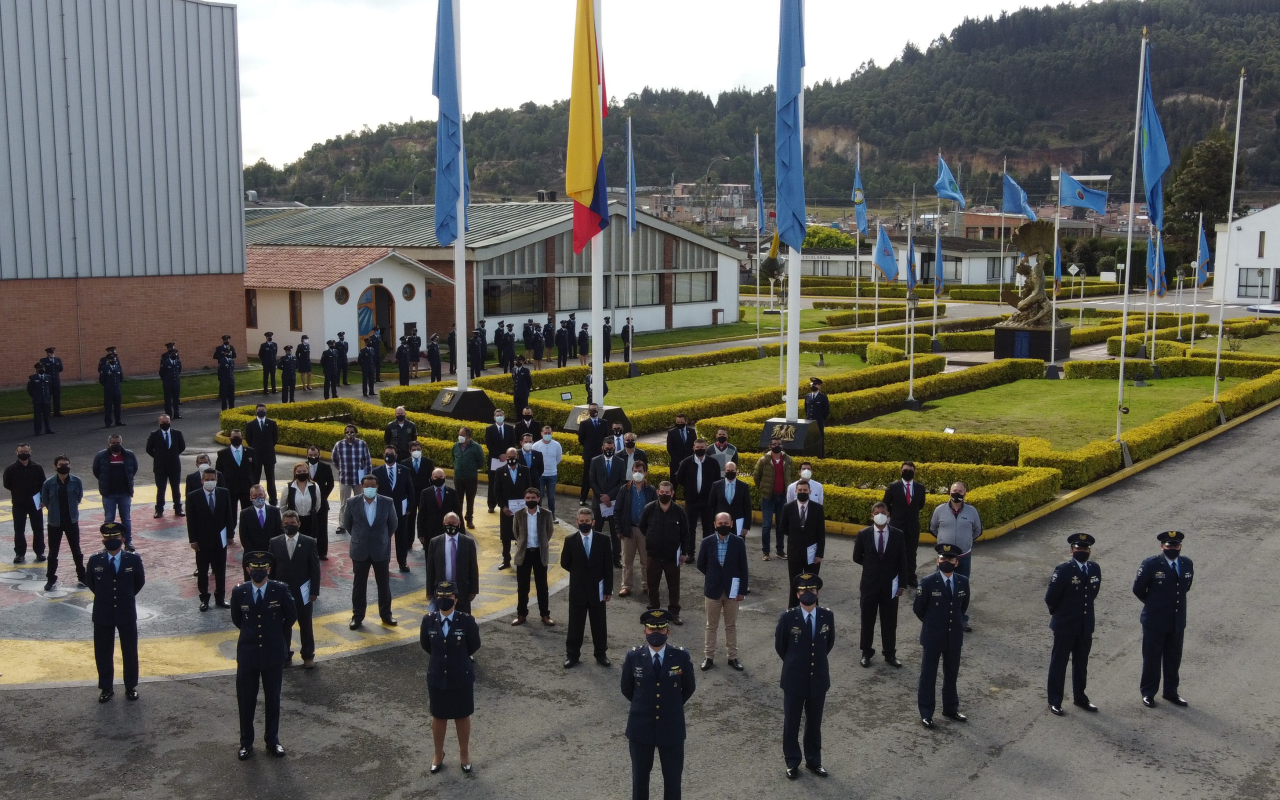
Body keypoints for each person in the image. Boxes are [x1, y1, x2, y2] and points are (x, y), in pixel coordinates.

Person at [622, 609, 696, 800]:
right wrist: (644, 704)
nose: (656, 634)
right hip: (641, 728)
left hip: (671, 727)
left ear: (668, 632)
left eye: (661, 630)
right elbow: (627, 688)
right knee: (640, 780)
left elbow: (689, 687)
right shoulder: (633, 657)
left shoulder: (680, 656)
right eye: (651, 629)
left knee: (672, 780)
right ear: (644, 632)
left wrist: (669, 705)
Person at [231, 551, 297, 760]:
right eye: (254, 568)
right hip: (248, 654)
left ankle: (272, 740)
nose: (258, 571)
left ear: (269, 569)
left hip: (272, 653)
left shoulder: (280, 590)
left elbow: (290, 617)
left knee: (273, 699)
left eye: (262, 568)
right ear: (247, 569)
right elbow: (237, 620)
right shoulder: (239, 592)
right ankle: (246, 743)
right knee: (246, 700)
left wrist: (275, 636)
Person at [775, 572, 834, 779]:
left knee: (814, 723)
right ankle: (792, 761)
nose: (808, 593)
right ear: (797, 594)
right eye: (803, 590)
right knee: (791, 723)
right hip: (794, 679)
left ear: (817, 593)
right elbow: (781, 647)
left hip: (818, 678)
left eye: (811, 590)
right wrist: (795, 663)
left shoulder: (827, 616)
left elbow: (828, 644)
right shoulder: (788, 617)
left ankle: (814, 761)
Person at [421, 581, 482, 774]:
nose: (444, 600)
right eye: (441, 597)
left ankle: (464, 754)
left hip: (460, 676)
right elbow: (426, 645)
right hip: (438, 676)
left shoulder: (466, 621)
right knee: (439, 717)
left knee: (462, 716)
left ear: (455, 599)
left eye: (448, 597)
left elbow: (473, 645)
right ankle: (438, 754)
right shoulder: (428, 620)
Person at [1134, 530, 1193, 708]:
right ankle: (1148, 693)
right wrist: (1152, 602)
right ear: (1162, 546)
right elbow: (1138, 589)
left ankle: (1171, 692)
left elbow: (1185, 587)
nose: (1173, 548)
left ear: (1180, 546)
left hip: (1176, 620)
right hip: (1154, 621)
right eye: (1169, 545)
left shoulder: (1186, 563)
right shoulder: (1151, 564)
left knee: (1173, 658)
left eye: (1176, 545)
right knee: (1152, 658)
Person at [86, 522, 144, 702]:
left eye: (116, 537)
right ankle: (106, 687)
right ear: (103, 539)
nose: (112, 540)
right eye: (109, 538)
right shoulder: (95, 561)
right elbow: (91, 583)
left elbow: (139, 582)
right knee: (103, 651)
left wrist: (125, 596)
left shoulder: (133, 560)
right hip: (103, 612)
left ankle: (131, 686)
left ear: (123, 539)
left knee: (129, 650)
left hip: (126, 611)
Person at [915, 543, 970, 729]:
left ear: (956, 562)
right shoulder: (928, 582)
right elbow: (919, 609)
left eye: (950, 559)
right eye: (943, 559)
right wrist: (933, 623)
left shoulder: (963, 581)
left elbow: (962, 607)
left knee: (951, 674)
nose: (946, 562)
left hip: (953, 636)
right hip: (933, 636)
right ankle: (926, 713)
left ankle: (950, 708)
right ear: (938, 561)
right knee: (928, 676)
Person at [1045, 532, 1101, 715]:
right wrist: (1060, 615)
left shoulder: (1094, 569)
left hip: (1085, 625)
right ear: (1071, 550)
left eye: (1085, 548)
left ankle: (1080, 697)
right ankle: (1055, 700)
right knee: (1059, 663)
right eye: (1079, 548)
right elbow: (1051, 598)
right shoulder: (1064, 570)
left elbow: (1092, 594)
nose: (1082, 551)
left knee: (1081, 663)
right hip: (1065, 625)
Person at [852, 502, 909, 668]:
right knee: (867, 620)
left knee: (890, 621)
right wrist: (871, 566)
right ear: (872, 516)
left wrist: (902, 585)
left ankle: (890, 653)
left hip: (890, 585)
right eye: (876, 513)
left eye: (883, 512)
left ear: (888, 514)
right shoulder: (864, 534)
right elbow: (857, 557)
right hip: (869, 584)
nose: (880, 515)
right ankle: (866, 652)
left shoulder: (898, 534)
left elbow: (902, 561)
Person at [343, 475, 398, 629]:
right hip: (359, 550)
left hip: (380, 550)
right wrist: (360, 538)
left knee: (384, 584)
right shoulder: (352, 502)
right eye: (366, 486)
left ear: (377, 486)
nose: (369, 489)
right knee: (359, 585)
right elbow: (347, 523)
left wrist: (382, 539)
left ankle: (386, 614)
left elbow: (393, 524)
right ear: (361, 486)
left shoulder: (387, 502)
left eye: (372, 486)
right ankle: (357, 617)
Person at [562, 507, 614, 668]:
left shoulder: (603, 540)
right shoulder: (570, 540)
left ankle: (601, 654)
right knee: (575, 625)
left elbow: (608, 567)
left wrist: (607, 590)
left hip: (597, 591)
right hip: (578, 590)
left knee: (599, 624)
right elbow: (565, 562)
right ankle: (572, 655)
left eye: (587, 521)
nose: (584, 524)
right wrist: (580, 573)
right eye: (581, 521)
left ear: (593, 522)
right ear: (577, 522)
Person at [269, 510, 322, 669]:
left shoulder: (309, 542)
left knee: (306, 625)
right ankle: (285, 656)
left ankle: (308, 655)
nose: (289, 526)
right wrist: (271, 590)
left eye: (292, 523)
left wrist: (314, 591)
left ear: (299, 524)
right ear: (282, 525)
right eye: (286, 524)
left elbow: (315, 569)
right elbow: (271, 569)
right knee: (283, 625)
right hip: (282, 593)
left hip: (303, 592)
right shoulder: (274, 542)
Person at [697, 512, 749, 672]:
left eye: (726, 523)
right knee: (711, 626)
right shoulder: (707, 542)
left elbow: (743, 568)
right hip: (713, 590)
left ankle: (732, 657)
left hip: (732, 591)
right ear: (714, 524)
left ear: (732, 524)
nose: (723, 525)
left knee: (731, 625)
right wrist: (713, 575)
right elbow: (700, 564)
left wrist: (741, 591)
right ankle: (709, 657)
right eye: (720, 523)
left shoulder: (738, 542)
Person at [929, 481, 981, 631]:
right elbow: (933, 528)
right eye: (954, 490)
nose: (956, 493)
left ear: (965, 493)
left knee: (961, 589)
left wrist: (966, 542)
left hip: (963, 557)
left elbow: (977, 531)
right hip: (944, 557)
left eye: (960, 491)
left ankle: (961, 618)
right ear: (949, 492)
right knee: (939, 587)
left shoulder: (972, 511)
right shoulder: (939, 510)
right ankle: (938, 617)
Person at [640, 481, 692, 626]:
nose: (664, 494)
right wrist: (652, 539)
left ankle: (674, 613)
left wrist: (684, 552)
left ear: (672, 493)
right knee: (652, 585)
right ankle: (654, 611)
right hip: (653, 555)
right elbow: (643, 527)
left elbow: (685, 533)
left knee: (673, 586)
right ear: (657, 492)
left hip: (672, 557)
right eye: (661, 492)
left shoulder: (679, 511)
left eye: (667, 492)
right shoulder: (649, 509)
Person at [187, 466, 235, 611]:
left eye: (212, 480)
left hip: (220, 540)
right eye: (207, 480)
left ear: (216, 480)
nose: (210, 482)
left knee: (220, 570)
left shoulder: (224, 493)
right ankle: (204, 599)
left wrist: (230, 535)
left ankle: (220, 598)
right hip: (202, 541)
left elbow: (229, 515)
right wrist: (193, 540)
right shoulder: (193, 496)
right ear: (202, 480)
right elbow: (191, 520)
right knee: (202, 571)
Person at [512, 487, 556, 627]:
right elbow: (516, 532)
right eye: (528, 498)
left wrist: (541, 544)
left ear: (538, 499)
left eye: (533, 498)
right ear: (525, 499)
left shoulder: (546, 514)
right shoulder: (518, 514)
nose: (531, 500)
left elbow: (549, 532)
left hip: (539, 553)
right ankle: (521, 614)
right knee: (523, 587)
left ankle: (545, 615)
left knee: (542, 586)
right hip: (524, 553)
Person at [41, 455, 86, 591]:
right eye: (61, 464)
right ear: (55, 467)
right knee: (53, 552)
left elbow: (78, 498)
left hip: (71, 521)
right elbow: (46, 501)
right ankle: (51, 578)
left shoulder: (76, 481)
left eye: (66, 464)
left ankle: (82, 577)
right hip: (55, 522)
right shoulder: (48, 483)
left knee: (76, 551)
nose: (64, 466)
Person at [616, 461, 656, 599]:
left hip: (645, 531)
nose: (637, 473)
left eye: (639, 471)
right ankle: (626, 586)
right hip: (629, 529)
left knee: (646, 561)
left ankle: (647, 585)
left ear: (645, 472)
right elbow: (617, 511)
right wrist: (619, 529)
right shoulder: (624, 489)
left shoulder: (651, 490)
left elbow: (655, 511)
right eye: (634, 471)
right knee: (627, 561)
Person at [883, 461, 926, 588]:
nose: (907, 472)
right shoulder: (893, 487)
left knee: (912, 553)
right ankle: (894, 576)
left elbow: (920, 505)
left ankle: (910, 577)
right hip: (896, 526)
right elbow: (886, 504)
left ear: (915, 472)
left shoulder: (920, 488)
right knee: (894, 552)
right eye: (905, 470)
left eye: (910, 470)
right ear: (901, 471)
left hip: (912, 526)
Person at [92, 434, 138, 551]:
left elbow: (133, 469)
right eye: (114, 443)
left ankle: (128, 542)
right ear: (109, 444)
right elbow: (96, 471)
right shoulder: (101, 456)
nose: (116, 445)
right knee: (109, 520)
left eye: (118, 443)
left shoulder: (129, 455)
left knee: (126, 519)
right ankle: (109, 542)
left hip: (124, 493)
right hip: (109, 494)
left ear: (121, 443)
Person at [782, 481, 825, 605]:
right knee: (795, 582)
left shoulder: (817, 509)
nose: (802, 492)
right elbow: (783, 527)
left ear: (810, 492)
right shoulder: (788, 508)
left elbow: (821, 533)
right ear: (796, 491)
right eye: (800, 490)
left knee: (811, 583)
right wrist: (796, 536)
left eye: (805, 490)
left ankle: (813, 608)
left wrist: (819, 554)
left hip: (812, 553)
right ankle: (793, 609)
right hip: (794, 551)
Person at [425, 514, 479, 613]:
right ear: (443, 524)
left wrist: (474, 590)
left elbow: (473, 568)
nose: (451, 525)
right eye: (448, 523)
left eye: (453, 523)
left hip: (462, 591)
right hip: (442, 592)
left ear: (459, 524)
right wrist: (429, 590)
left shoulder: (468, 542)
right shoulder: (435, 542)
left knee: (463, 623)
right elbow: (430, 568)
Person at [375, 446, 417, 573]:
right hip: (383, 512)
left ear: (396, 455)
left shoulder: (404, 470)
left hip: (401, 511)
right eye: (387, 453)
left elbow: (410, 490)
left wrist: (410, 507)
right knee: (384, 539)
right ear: (383, 455)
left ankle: (402, 562)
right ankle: (384, 563)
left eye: (391, 453)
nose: (389, 455)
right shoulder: (376, 471)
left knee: (401, 538)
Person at [753, 438, 794, 561]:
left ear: (782, 446)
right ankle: (766, 552)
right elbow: (757, 476)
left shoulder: (788, 460)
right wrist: (763, 488)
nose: (777, 446)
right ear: (770, 446)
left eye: (779, 444)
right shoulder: (764, 460)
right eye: (774, 444)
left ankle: (780, 551)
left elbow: (792, 475)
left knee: (781, 525)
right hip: (768, 497)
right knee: (766, 525)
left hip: (782, 496)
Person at [589, 437, 628, 569]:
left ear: (614, 448)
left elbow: (622, 482)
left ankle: (616, 558)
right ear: (602, 448)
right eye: (607, 448)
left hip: (613, 504)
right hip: (598, 503)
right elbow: (592, 481)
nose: (609, 450)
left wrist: (609, 497)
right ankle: (597, 557)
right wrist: (602, 496)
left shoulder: (620, 462)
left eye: (611, 448)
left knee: (615, 532)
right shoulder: (595, 461)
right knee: (597, 531)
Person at [5, 444, 46, 563]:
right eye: (21, 451)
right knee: (19, 529)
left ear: (30, 452)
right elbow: (7, 484)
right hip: (18, 502)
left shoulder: (37, 467)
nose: (24, 453)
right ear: (17, 453)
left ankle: (40, 552)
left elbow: (43, 484)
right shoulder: (11, 469)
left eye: (26, 451)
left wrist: (42, 499)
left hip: (35, 502)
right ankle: (19, 553)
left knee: (38, 528)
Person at [493, 447, 531, 570]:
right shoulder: (500, 471)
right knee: (505, 536)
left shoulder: (525, 471)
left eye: (513, 458)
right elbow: (497, 492)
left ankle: (522, 559)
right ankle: (506, 560)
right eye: (509, 458)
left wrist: (527, 505)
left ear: (517, 457)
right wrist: (503, 507)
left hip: (521, 510)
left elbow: (529, 489)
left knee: (522, 535)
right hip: (506, 510)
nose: (511, 460)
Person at [331, 424, 372, 535]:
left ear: (356, 432)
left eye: (352, 432)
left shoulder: (362, 444)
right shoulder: (339, 445)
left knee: (360, 502)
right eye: (347, 432)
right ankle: (342, 525)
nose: (349, 434)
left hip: (359, 479)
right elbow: (334, 459)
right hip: (345, 478)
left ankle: (360, 523)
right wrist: (341, 468)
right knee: (344, 503)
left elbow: (367, 461)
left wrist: (368, 477)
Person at [674, 439, 718, 544]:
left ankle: (707, 551)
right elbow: (679, 478)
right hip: (691, 500)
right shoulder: (686, 462)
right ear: (693, 448)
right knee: (690, 527)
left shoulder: (713, 463)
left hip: (707, 500)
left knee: (708, 528)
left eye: (702, 447)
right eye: (697, 447)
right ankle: (690, 552)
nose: (700, 449)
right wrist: (689, 488)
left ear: (706, 448)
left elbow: (717, 480)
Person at [145, 415, 185, 519]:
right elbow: (149, 449)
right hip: (160, 467)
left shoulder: (177, 433)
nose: (165, 423)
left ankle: (178, 508)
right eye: (163, 422)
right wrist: (158, 457)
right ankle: (159, 510)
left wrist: (173, 455)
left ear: (170, 421)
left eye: (167, 421)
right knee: (161, 489)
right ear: (159, 423)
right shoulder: (154, 435)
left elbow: (182, 447)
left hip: (174, 466)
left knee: (176, 488)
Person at [216, 429, 257, 522]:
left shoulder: (250, 451)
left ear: (242, 438)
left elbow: (254, 469)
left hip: (247, 488)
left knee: (248, 515)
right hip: (230, 489)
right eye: (234, 437)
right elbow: (219, 471)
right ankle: (231, 534)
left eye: (238, 437)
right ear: (230, 438)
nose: (236, 439)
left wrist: (253, 484)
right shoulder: (223, 453)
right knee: (231, 515)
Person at [283, 461, 322, 558]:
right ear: (295, 473)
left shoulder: (314, 486)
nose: (302, 473)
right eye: (299, 472)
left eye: (304, 471)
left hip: (310, 520)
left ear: (308, 471)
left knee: (309, 546)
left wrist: (311, 513)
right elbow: (283, 506)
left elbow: (318, 504)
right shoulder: (288, 487)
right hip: (295, 521)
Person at [303, 445, 335, 560]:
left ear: (319, 455)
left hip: (322, 503)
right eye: (310, 455)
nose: (313, 457)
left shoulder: (325, 467)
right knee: (306, 527)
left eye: (315, 455)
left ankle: (322, 552)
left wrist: (322, 497)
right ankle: (305, 551)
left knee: (322, 528)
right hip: (305, 502)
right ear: (307, 455)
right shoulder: (303, 467)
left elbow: (331, 484)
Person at [484, 409, 517, 514]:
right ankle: (491, 505)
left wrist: (506, 455)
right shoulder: (489, 429)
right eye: (497, 415)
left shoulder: (510, 428)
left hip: (508, 460)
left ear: (504, 416)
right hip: (495, 460)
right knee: (493, 483)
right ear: (494, 417)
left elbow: (513, 442)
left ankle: (505, 504)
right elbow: (489, 445)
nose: (499, 417)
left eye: (501, 415)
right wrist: (499, 455)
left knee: (507, 482)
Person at [245, 404, 279, 504]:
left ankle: (273, 499)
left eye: (263, 410)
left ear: (266, 411)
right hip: (256, 456)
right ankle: (254, 498)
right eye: (259, 410)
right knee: (255, 478)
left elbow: (275, 438)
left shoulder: (272, 423)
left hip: (269, 455)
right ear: (256, 411)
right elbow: (249, 439)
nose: (261, 411)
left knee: (271, 479)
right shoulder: (250, 424)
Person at [418, 468, 461, 547]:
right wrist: (420, 533)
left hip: (448, 531)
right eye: (436, 477)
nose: (438, 479)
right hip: (430, 532)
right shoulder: (425, 493)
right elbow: (421, 514)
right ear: (432, 478)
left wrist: (461, 532)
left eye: (441, 477)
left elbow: (458, 513)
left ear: (445, 477)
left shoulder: (452, 493)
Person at [451, 427, 485, 528]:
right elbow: (453, 457)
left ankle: (469, 519)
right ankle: (458, 520)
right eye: (459, 434)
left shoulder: (476, 447)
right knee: (458, 500)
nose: (460, 437)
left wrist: (471, 468)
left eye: (462, 435)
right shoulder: (455, 446)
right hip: (458, 477)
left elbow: (481, 462)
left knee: (470, 499)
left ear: (468, 437)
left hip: (471, 478)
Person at [709, 462, 751, 541]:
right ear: (725, 471)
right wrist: (712, 524)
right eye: (728, 470)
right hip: (721, 523)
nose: (730, 472)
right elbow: (711, 506)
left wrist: (746, 527)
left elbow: (747, 507)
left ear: (736, 471)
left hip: (738, 524)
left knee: (737, 547)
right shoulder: (716, 485)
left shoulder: (744, 486)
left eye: (732, 470)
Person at [577, 402, 607, 504]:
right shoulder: (584, 424)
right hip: (589, 455)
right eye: (591, 410)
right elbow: (581, 439)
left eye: (595, 409)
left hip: (600, 455)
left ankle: (600, 498)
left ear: (598, 410)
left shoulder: (604, 423)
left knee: (601, 477)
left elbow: (606, 437)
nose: (593, 411)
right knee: (586, 477)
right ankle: (582, 498)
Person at [239, 485, 282, 554]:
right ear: (250, 498)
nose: (258, 497)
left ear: (265, 496)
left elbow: (279, 532)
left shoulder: (275, 511)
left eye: (260, 494)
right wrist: (253, 552)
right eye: (255, 495)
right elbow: (244, 536)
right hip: (251, 553)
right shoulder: (244, 514)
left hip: (272, 552)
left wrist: (273, 549)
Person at [532, 425, 562, 513]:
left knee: (551, 496)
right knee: (539, 495)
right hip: (540, 475)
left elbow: (558, 459)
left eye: (549, 433)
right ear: (541, 433)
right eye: (545, 433)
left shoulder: (557, 445)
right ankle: (538, 513)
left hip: (552, 474)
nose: (547, 434)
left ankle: (552, 515)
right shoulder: (536, 445)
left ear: (552, 433)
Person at [99, 347, 125, 426]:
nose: (113, 360)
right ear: (108, 360)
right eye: (111, 359)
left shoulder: (118, 367)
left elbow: (121, 378)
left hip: (117, 390)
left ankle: (118, 421)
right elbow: (102, 380)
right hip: (108, 390)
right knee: (108, 407)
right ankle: (108, 422)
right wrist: (107, 386)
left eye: (114, 358)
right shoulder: (105, 368)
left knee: (117, 407)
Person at [28, 361, 54, 435]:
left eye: (42, 368)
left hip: (46, 399)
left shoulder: (48, 377)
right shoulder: (32, 378)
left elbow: (50, 388)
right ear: (36, 370)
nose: (41, 369)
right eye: (39, 368)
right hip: (37, 400)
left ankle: (48, 429)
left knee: (47, 415)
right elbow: (30, 389)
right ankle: (37, 430)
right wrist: (35, 396)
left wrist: (48, 396)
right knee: (37, 416)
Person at [157, 342, 183, 418]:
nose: (174, 354)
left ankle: (176, 414)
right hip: (168, 383)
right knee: (168, 399)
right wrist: (165, 380)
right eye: (172, 353)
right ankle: (168, 414)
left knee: (176, 399)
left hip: (176, 382)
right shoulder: (165, 361)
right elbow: (161, 372)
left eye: (175, 352)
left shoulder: (178, 362)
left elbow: (179, 370)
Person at [40, 346, 65, 417]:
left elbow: (60, 369)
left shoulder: (58, 360)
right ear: (47, 353)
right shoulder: (43, 360)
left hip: (56, 381)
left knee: (57, 397)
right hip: (48, 382)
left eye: (52, 352)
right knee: (48, 397)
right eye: (49, 353)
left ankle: (57, 412)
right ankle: (47, 412)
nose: (51, 354)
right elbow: (42, 370)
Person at [216, 344, 237, 411]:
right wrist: (220, 378)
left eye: (229, 352)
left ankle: (232, 406)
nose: (228, 353)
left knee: (231, 394)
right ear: (224, 353)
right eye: (226, 352)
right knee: (224, 395)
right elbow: (220, 371)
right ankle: (224, 408)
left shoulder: (232, 361)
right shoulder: (222, 361)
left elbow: (232, 370)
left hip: (231, 380)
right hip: (224, 380)